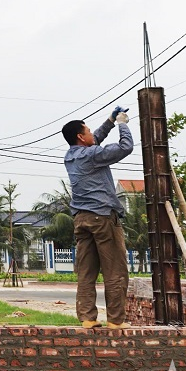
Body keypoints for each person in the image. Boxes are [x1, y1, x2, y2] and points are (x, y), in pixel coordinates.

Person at [62, 107, 133, 329]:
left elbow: (94, 140)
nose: (93, 133)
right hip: (102, 217)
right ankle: (116, 321)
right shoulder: (93, 155)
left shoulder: (71, 156)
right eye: (88, 130)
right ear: (81, 137)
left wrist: (110, 120)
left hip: (81, 219)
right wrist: (122, 124)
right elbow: (125, 147)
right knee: (115, 271)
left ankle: (87, 318)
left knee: (87, 271)